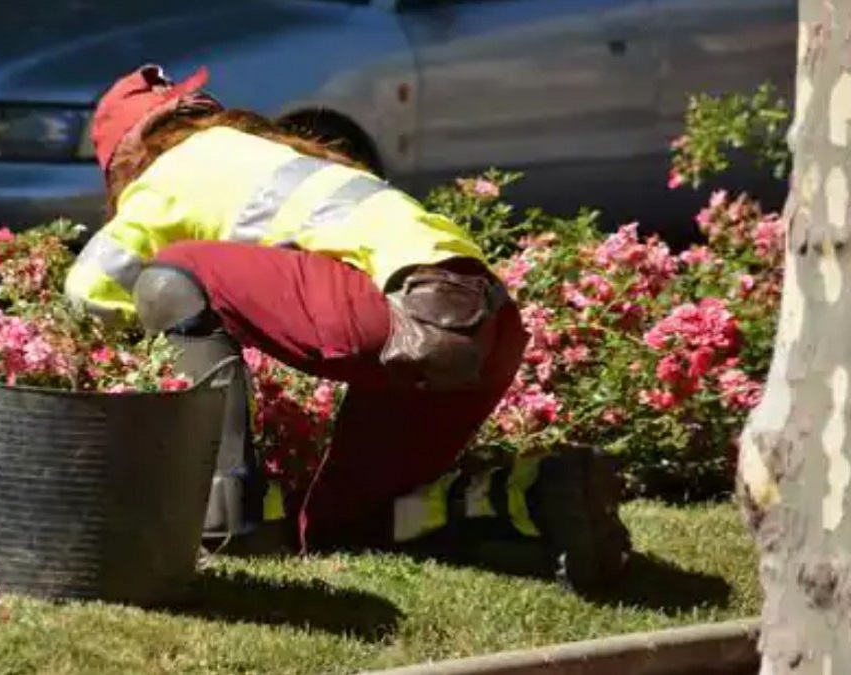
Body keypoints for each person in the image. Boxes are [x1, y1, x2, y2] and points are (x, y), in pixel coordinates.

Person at [65, 64, 631, 591]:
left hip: (402, 314)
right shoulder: (266, 151)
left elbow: (88, 290)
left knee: (173, 276)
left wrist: (118, 351)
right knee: (342, 525)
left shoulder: (168, 173)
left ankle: (226, 517)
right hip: (486, 323)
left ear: (128, 154)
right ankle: (543, 494)